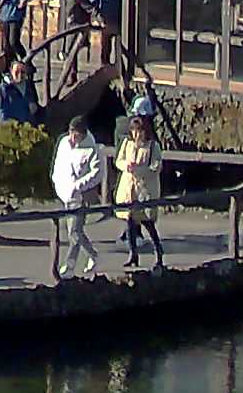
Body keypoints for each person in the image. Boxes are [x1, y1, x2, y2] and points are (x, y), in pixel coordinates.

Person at [50, 118, 110, 276]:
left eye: (75, 134)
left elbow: (97, 174)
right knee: (74, 232)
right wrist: (57, 183)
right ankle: (94, 255)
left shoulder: (93, 149)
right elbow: (58, 164)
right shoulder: (63, 142)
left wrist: (78, 186)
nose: (71, 137)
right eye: (70, 132)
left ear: (82, 134)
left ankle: (70, 265)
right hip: (65, 194)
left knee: (74, 232)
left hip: (81, 197)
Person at [117, 115, 167, 267]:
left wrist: (140, 170)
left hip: (144, 189)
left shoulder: (152, 146)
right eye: (134, 131)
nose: (137, 135)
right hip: (128, 188)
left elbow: (156, 167)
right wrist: (126, 166)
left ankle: (158, 250)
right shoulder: (127, 143)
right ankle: (133, 254)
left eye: (139, 131)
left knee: (147, 222)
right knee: (130, 222)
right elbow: (119, 160)